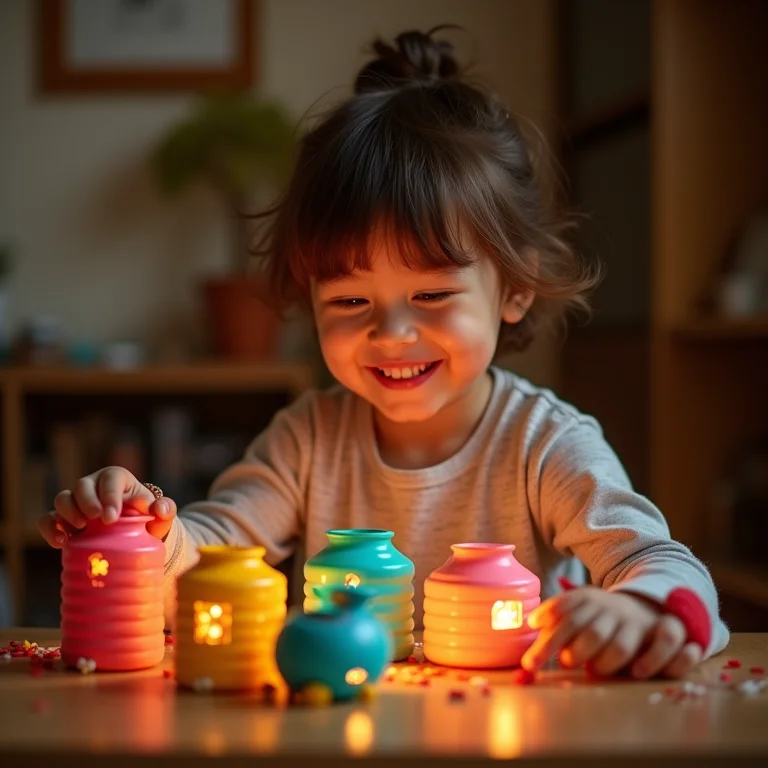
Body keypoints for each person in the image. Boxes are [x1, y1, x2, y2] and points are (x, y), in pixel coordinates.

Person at [39, 28, 728, 679]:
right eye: (349, 302)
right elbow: (208, 560)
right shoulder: (306, 441)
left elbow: (657, 559)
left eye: (430, 296)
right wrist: (146, 533)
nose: (392, 334)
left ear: (514, 288)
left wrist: (642, 608)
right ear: (309, 301)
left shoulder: (546, 445)